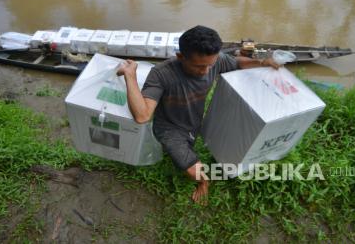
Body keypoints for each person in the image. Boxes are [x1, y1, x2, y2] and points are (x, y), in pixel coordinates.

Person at [117, 25, 280, 204]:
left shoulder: (215, 61)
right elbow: (142, 115)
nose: (206, 72)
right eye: (199, 66)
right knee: (195, 171)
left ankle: (182, 154)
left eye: (210, 65)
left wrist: (262, 62)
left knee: (190, 148)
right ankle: (203, 183)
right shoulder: (161, 74)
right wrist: (130, 76)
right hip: (170, 128)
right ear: (181, 57)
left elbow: (237, 63)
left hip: (195, 122)